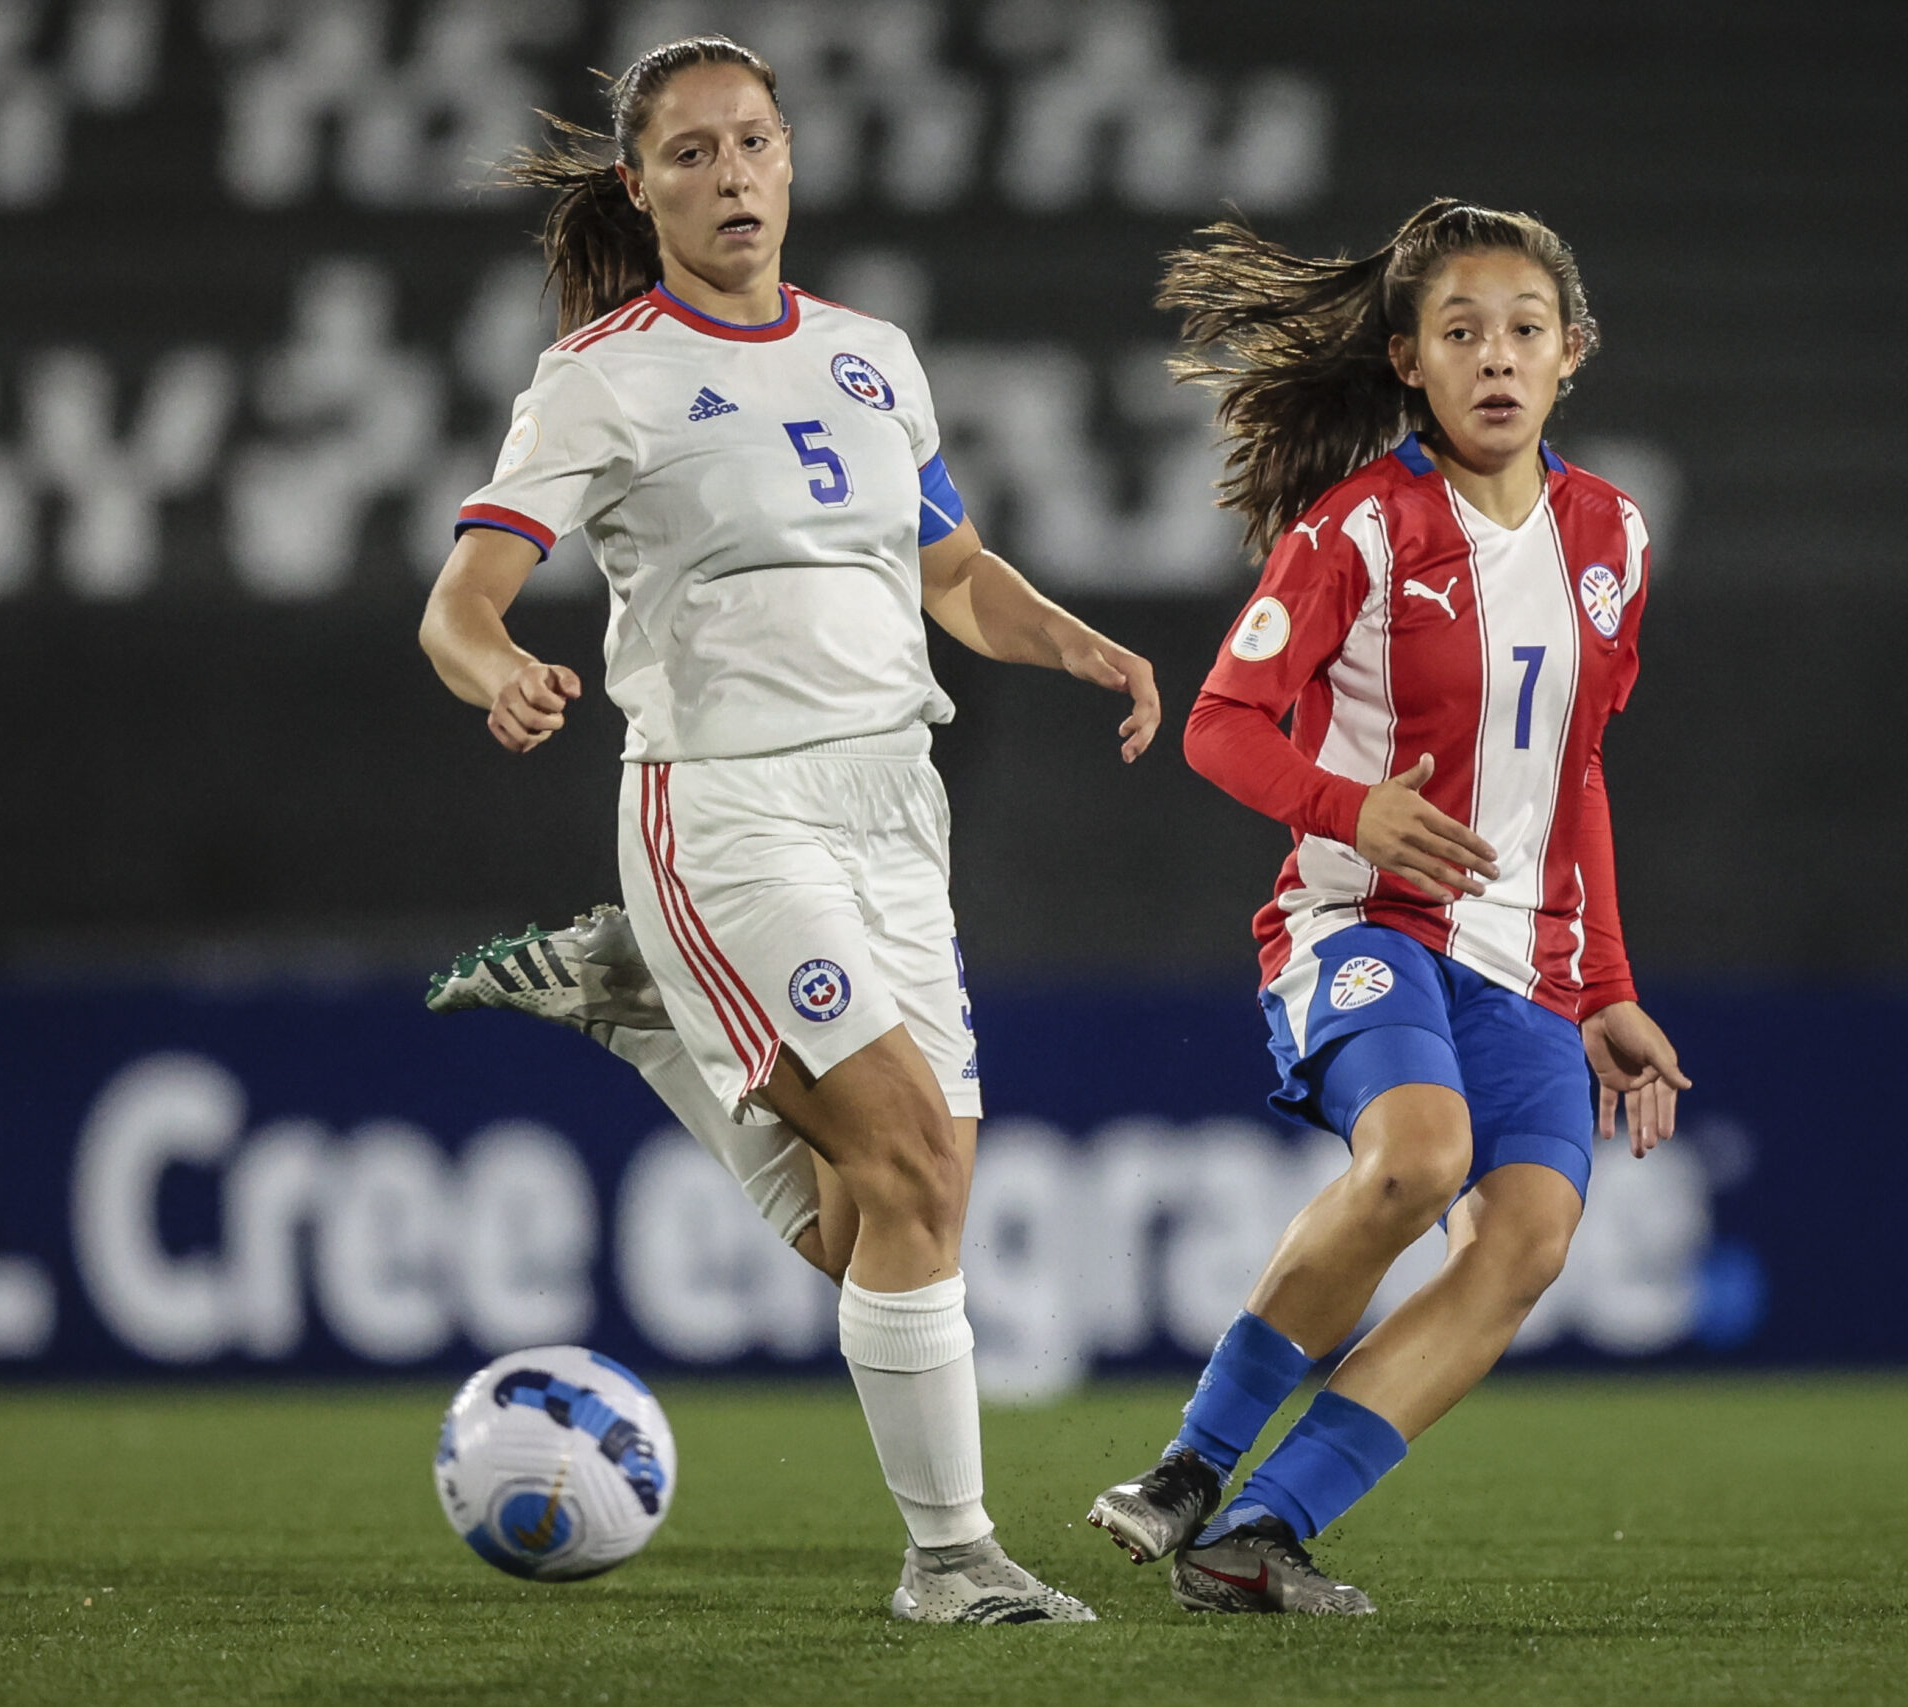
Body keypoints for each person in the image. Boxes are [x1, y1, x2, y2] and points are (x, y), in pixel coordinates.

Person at [416, 35, 1161, 1624]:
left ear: (793, 159)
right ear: (643, 187)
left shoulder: (873, 352)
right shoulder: (601, 374)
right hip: (730, 803)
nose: (730, 174)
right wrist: (501, 674)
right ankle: (952, 1561)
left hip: (898, 802)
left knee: (892, 1215)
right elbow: (459, 601)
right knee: (901, 1160)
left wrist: (1075, 639)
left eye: (752, 142)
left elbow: (951, 573)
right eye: (690, 154)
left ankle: (647, 1023)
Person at [1082, 201, 1690, 1615]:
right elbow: (1223, 726)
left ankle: (1261, 1538)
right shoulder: (1359, 527)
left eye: (1523, 332)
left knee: (1528, 1237)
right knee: (1422, 1156)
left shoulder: (1614, 537)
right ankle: (1193, 1467)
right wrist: (1353, 809)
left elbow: (1577, 766)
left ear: (1573, 354)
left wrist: (1603, 988)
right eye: (1461, 332)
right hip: (1361, 924)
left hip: (1526, 963)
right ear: (1408, 361)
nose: (1496, 358)